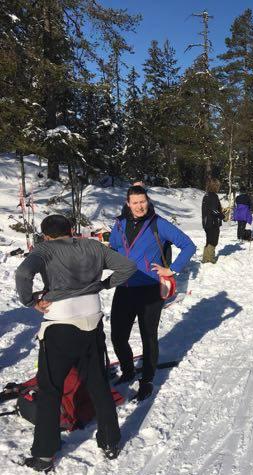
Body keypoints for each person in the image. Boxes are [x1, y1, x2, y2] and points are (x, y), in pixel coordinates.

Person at [14, 215, 137, 471]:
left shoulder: (45, 249)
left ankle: (44, 455)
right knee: (98, 383)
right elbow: (127, 266)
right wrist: (103, 284)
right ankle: (110, 441)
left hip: (60, 324)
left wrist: (30, 302)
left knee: (50, 389)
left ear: (46, 236)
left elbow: (23, 272)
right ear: (71, 231)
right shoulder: (93, 245)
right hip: (92, 321)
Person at [109, 186, 195, 401]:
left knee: (149, 336)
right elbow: (112, 248)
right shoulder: (119, 224)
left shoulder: (158, 223)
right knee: (118, 336)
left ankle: (146, 379)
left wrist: (172, 268)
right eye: (135, 202)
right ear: (128, 204)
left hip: (149, 289)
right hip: (125, 287)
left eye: (143, 201)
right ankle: (128, 370)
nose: (139, 206)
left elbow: (188, 245)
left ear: (147, 201)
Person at [202, 178, 223, 264]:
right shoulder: (213, 196)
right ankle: (209, 258)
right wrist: (222, 215)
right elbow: (214, 210)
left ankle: (206, 258)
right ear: (214, 186)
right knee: (213, 240)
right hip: (213, 222)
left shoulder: (206, 195)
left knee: (209, 240)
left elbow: (210, 209)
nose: (219, 188)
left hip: (207, 222)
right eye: (218, 186)